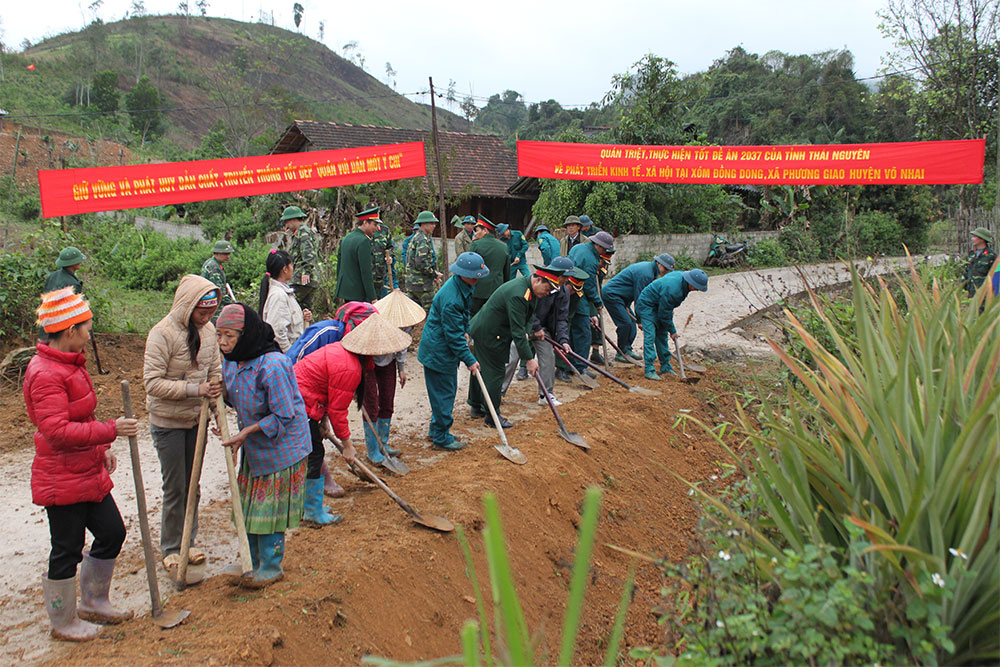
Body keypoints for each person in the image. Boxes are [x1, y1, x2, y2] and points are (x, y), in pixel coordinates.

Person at [26, 287, 137, 641]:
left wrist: (101, 445)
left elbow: (82, 415)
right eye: (87, 328)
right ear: (70, 330)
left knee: (112, 532)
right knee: (66, 548)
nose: (90, 335)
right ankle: (63, 621)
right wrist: (110, 430)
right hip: (61, 477)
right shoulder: (45, 373)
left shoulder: (69, 364)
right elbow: (56, 431)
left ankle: (94, 600)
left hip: (86, 469)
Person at [215, 304, 312, 587]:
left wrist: (247, 431)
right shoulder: (232, 361)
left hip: (283, 448)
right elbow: (236, 397)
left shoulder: (272, 366)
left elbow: (284, 414)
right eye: (220, 335)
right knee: (250, 507)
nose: (223, 342)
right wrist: (219, 393)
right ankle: (252, 560)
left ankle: (271, 566)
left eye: (229, 336)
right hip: (255, 446)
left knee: (268, 509)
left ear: (245, 335)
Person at [143, 275, 223, 571]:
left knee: (193, 485)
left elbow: (214, 372)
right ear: (187, 307)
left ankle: (189, 540)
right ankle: (172, 548)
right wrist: (194, 389)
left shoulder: (209, 331)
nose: (206, 319)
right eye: (201, 313)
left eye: (210, 313)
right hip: (168, 423)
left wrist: (217, 409)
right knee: (175, 487)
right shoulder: (161, 334)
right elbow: (152, 383)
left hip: (195, 421)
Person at [467, 266, 563, 428]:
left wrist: (526, 331)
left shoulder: (529, 289)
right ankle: (492, 416)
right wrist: (529, 359)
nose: (547, 293)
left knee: (482, 368)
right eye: (547, 289)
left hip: (491, 329)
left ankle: (477, 406)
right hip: (489, 332)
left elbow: (530, 316)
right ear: (538, 280)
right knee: (496, 372)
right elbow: (517, 332)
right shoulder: (519, 294)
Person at [418, 252, 488, 451]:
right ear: (462, 273)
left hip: (444, 349)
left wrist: (466, 330)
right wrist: (470, 359)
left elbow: (465, 313)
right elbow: (453, 337)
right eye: (474, 275)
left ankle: (436, 430)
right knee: (444, 395)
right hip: (438, 353)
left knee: (443, 394)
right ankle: (441, 437)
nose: (477, 279)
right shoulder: (451, 299)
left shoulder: (465, 286)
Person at [503, 257, 576, 405]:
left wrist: (563, 340)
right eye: (564, 277)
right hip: (524, 326)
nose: (566, 281)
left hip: (544, 331)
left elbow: (562, 318)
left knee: (548, 357)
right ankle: (498, 390)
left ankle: (546, 394)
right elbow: (529, 310)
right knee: (512, 357)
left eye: (567, 278)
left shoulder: (563, 292)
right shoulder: (540, 285)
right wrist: (535, 328)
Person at [367, 290, 424, 458]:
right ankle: (372, 450)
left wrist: (401, 368)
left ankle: (382, 443)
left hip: (389, 362)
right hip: (369, 361)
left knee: (387, 401)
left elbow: (402, 346)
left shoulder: (405, 324)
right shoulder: (374, 321)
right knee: (371, 404)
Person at [635, 269, 708, 380]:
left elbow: (665, 310)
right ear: (691, 282)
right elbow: (664, 314)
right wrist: (672, 331)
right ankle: (649, 369)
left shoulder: (683, 281)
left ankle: (665, 366)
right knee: (650, 336)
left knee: (662, 336)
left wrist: (668, 328)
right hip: (647, 304)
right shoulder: (673, 290)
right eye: (696, 287)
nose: (697, 290)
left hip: (660, 304)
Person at [603, 254, 674, 361]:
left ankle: (627, 349)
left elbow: (631, 288)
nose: (666, 271)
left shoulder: (651, 271)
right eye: (665, 268)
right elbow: (640, 298)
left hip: (622, 297)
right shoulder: (646, 274)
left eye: (668, 270)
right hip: (612, 295)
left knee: (632, 325)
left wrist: (627, 305)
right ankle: (621, 352)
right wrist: (640, 320)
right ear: (658, 263)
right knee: (625, 323)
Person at [568, 231, 614, 376]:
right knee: (583, 332)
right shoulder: (591, 260)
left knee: (573, 331)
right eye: (604, 249)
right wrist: (598, 302)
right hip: (578, 294)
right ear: (598, 246)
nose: (604, 252)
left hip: (568, 291)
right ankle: (581, 367)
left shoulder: (578, 248)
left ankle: (570, 364)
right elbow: (588, 286)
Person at [260, 249, 312, 353]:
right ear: (285, 269)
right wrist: (290, 354)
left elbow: (286, 319)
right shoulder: (278, 296)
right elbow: (277, 331)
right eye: (291, 265)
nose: (293, 269)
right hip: (288, 356)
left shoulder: (284, 292)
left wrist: (302, 317)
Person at [468, 216, 511, 316]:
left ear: (485, 230)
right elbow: (507, 272)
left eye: (477, 230)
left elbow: (470, 268)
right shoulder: (503, 246)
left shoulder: (476, 245)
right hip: (496, 290)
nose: (476, 233)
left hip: (478, 291)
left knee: (473, 318)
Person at [334, 207, 378, 303]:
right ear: (365, 223)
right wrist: (372, 297)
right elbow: (366, 272)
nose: (376, 228)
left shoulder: (346, 238)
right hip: (359, 293)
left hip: (346, 290)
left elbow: (339, 265)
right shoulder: (363, 241)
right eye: (374, 225)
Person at [282, 206, 319, 310]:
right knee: (305, 310)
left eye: (287, 222)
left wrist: (306, 271)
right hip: (306, 279)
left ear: (293, 220)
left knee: (292, 307)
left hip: (301, 279)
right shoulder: (300, 232)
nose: (286, 225)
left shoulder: (303, 232)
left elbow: (308, 253)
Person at [405, 210, 442, 310]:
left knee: (412, 316)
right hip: (423, 286)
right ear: (423, 224)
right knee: (431, 314)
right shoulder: (422, 240)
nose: (434, 226)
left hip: (412, 284)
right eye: (431, 223)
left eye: (434, 223)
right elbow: (422, 263)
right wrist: (435, 274)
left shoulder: (417, 237)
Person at [200, 240, 235, 318]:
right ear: (217, 253)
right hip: (214, 309)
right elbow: (219, 292)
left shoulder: (211, 263)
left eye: (229, 254)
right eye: (225, 254)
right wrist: (233, 305)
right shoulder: (214, 267)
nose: (228, 256)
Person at [370, 208, 398, 298]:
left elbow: (391, 247)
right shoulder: (363, 231)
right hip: (367, 275)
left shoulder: (384, 230)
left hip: (381, 275)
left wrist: (389, 256)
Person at [963, 227, 997, 297]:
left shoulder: (991, 256)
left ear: (982, 239)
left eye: (975, 237)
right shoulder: (972, 254)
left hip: (984, 294)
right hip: (971, 293)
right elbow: (966, 272)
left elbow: (996, 275)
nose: (972, 239)